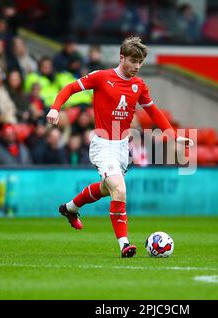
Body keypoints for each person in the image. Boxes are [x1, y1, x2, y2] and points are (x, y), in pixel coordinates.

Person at [46, 36, 193, 258]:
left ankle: (70, 208)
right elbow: (70, 88)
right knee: (120, 190)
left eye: (140, 62)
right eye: (133, 61)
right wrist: (55, 108)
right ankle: (125, 244)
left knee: (107, 189)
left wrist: (172, 135)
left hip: (123, 147)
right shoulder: (102, 77)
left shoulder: (139, 85)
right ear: (121, 57)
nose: (136, 66)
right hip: (103, 144)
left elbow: (153, 112)